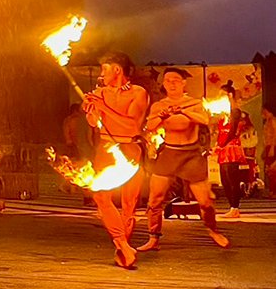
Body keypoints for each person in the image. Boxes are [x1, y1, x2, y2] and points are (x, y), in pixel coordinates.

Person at [138, 67, 229, 252]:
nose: (171, 83)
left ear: (183, 83)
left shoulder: (194, 103)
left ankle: (213, 230)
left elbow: (203, 120)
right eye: (168, 80)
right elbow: (150, 127)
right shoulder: (159, 106)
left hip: (191, 155)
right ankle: (153, 237)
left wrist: (183, 112)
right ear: (163, 84)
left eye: (176, 80)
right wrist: (163, 116)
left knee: (205, 202)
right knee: (155, 199)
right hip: (169, 153)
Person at [82, 52, 148, 270]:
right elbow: (94, 122)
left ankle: (124, 246)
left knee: (129, 203)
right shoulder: (100, 92)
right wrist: (91, 110)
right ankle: (121, 244)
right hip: (105, 148)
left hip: (129, 147)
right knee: (100, 195)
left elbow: (132, 125)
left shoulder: (138, 93)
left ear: (117, 70)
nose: (102, 74)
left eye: (105, 69)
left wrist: (102, 106)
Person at [216, 81, 248, 219]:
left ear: (229, 95)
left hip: (231, 148)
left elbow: (233, 131)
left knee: (232, 179)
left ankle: (235, 207)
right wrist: (217, 145)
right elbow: (221, 132)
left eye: (222, 95)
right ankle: (231, 207)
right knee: (224, 180)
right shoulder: (222, 115)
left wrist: (222, 144)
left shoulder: (235, 111)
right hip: (223, 149)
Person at [262, 104, 276, 197]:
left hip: (273, 146)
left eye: (265, 111)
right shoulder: (267, 121)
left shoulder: (273, 120)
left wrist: (272, 147)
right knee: (269, 170)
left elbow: (275, 134)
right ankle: (272, 190)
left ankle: (274, 191)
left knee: (273, 169)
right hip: (268, 146)